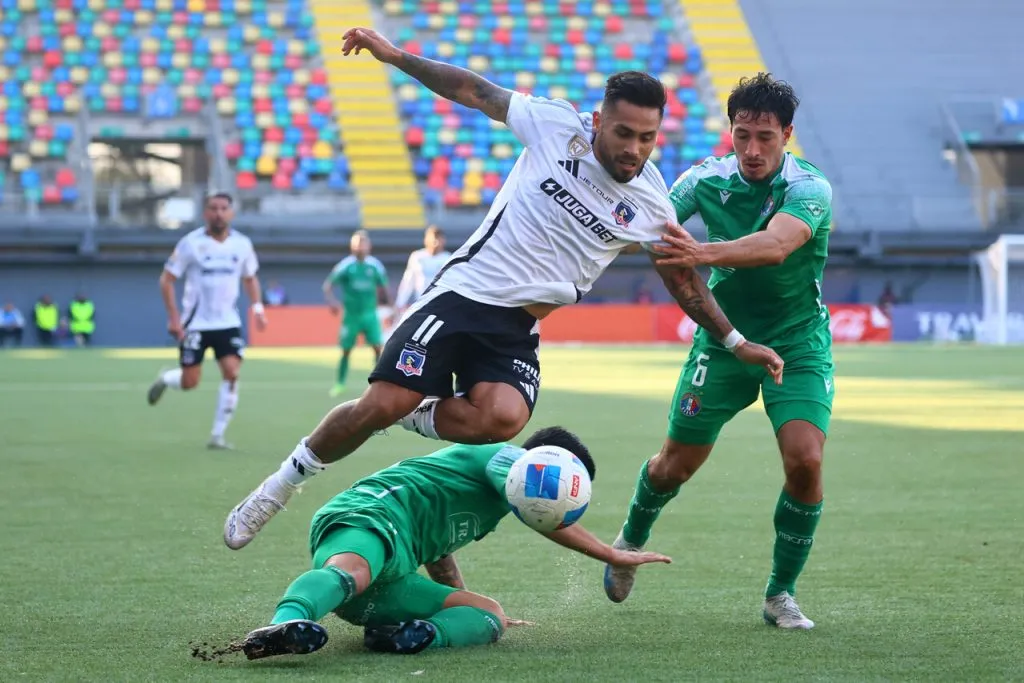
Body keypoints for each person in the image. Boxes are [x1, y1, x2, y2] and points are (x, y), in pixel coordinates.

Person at [222, 27, 783, 551]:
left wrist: (736, 342)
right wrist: (395, 57)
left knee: (503, 419)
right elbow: (471, 88)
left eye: (647, 138)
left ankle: (407, 412)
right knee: (380, 402)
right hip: (463, 295)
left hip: (517, 326)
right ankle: (279, 485)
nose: (634, 149)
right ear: (595, 122)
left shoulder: (652, 210)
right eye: (623, 133)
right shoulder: (551, 125)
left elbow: (685, 287)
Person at [603, 74, 834, 630]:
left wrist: (699, 251)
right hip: (723, 338)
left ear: (788, 136)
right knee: (673, 467)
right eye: (741, 135)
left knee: (806, 461)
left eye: (766, 138)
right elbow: (654, 224)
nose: (752, 151)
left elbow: (777, 246)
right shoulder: (704, 179)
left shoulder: (810, 188)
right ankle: (631, 537)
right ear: (729, 132)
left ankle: (780, 594)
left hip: (798, 341)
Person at [232, 426, 670, 660]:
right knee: (354, 571)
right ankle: (279, 626)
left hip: (395, 570)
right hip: (370, 515)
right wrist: (613, 555)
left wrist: (459, 602)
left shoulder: (498, 504)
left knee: (489, 616)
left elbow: (439, 551)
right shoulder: (505, 457)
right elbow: (538, 496)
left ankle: (403, 637)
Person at [146, 192, 268, 450]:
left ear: (231, 213)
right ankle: (167, 378)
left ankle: (217, 435)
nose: (219, 213)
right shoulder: (190, 243)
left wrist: (257, 307)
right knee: (190, 382)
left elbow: (250, 277)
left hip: (227, 322)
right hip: (196, 324)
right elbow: (167, 279)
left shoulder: (242, 245)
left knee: (232, 372)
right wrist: (174, 317)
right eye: (214, 208)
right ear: (205, 213)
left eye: (224, 208)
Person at [322, 230, 391, 397]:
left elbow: (384, 288)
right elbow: (328, 285)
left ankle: (378, 383)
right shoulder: (345, 266)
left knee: (377, 349)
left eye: (363, 242)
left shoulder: (375, 266)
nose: (360, 246)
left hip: (370, 315)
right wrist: (332, 302)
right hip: (351, 317)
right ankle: (340, 383)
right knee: (346, 350)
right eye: (357, 242)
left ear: (369, 246)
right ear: (352, 246)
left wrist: (392, 308)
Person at [394, 225, 451, 316]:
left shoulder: (448, 258)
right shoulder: (417, 257)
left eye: (438, 239)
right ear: (426, 239)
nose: (435, 242)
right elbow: (408, 281)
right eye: (433, 238)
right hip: (420, 303)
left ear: (443, 241)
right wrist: (399, 303)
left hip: (440, 304)